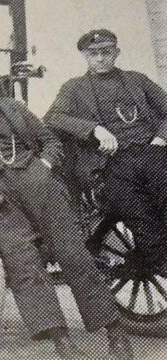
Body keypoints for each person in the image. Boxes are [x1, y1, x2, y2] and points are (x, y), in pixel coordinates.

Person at [0, 58, 133, 360]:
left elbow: (49, 140)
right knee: (24, 264)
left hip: (36, 182)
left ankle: (115, 331)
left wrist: (45, 165)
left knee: (74, 254)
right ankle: (61, 341)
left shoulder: (13, 107)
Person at [44, 29, 167, 272]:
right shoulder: (74, 88)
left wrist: (162, 138)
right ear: (84, 56)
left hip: (151, 151)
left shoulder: (137, 80)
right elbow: (52, 117)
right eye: (93, 54)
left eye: (106, 52)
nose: (100, 59)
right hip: (110, 162)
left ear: (116, 52)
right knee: (136, 211)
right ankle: (161, 260)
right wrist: (93, 129)